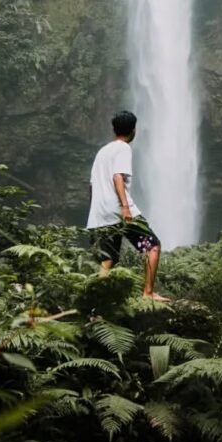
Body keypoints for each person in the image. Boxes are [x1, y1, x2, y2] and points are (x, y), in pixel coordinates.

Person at [86, 110, 169, 302]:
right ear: (133, 130)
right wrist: (124, 207)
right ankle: (148, 293)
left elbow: (91, 185)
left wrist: (97, 212)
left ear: (114, 129)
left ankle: (96, 303)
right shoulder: (123, 148)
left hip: (101, 213)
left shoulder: (102, 152)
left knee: (108, 258)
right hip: (120, 212)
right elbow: (117, 176)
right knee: (152, 246)